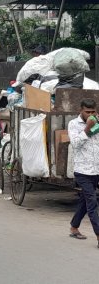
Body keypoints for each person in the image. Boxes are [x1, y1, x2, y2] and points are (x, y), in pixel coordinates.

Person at [68, 98, 99, 248]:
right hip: (82, 171)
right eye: (87, 112)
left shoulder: (97, 122)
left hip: (97, 169)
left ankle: (74, 227)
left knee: (85, 201)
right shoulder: (74, 124)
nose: (90, 114)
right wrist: (87, 128)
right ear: (81, 110)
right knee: (92, 202)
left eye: (93, 112)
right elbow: (75, 144)